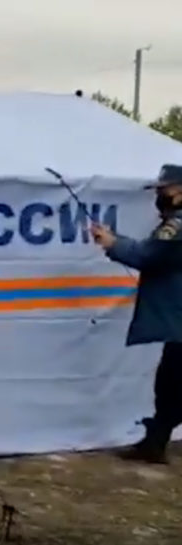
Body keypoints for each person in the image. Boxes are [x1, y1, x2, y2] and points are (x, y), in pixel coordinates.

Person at [91, 163, 182, 464]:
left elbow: (149, 255)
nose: (159, 195)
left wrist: (112, 243)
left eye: (164, 189)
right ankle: (154, 443)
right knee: (169, 383)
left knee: (172, 384)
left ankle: (155, 442)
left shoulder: (177, 226)